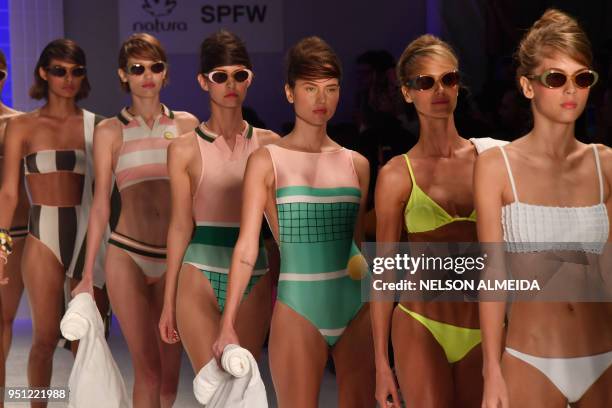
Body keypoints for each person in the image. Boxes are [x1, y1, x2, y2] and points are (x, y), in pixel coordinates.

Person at [213, 36, 375, 408]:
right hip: (298, 306)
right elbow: (247, 248)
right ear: (290, 93)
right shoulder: (267, 161)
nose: (322, 100)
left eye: (331, 89)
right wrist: (228, 323)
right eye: (310, 88)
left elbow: (357, 248)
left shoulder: (357, 164)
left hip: (357, 306)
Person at [476, 9, 612, 407]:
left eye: (581, 78)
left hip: (603, 357)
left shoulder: (606, 164)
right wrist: (491, 370)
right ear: (528, 86)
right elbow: (493, 273)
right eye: (556, 78)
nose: (571, 90)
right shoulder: (496, 166)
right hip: (528, 358)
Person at [73, 33, 199, 408]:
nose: (147, 75)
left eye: (155, 67)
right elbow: (99, 206)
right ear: (123, 75)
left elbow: (199, 196)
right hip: (126, 254)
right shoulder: (109, 131)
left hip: (176, 257)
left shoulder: (188, 125)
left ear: (166, 74)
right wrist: (84, 275)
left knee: (171, 373)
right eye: (137, 68)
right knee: (147, 368)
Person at [373, 34, 490, 408]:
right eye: (425, 82)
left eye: (448, 79)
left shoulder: (489, 160)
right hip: (421, 322)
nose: (439, 90)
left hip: (483, 327)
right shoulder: (396, 174)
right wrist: (380, 363)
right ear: (407, 93)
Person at [158, 30, 280, 378]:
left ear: (249, 79)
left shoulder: (271, 145)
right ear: (203, 81)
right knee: (214, 390)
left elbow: (279, 224)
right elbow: (180, 225)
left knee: (241, 387)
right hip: (199, 271)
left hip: (255, 274)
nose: (231, 84)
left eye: (239, 75)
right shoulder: (182, 149)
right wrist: (168, 304)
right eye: (220, 76)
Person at [0, 39, 107, 407]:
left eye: (76, 71)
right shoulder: (22, 127)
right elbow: (10, 194)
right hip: (41, 235)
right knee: (44, 340)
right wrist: (1, 247)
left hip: (88, 237)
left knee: (86, 342)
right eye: (59, 70)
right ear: (43, 73)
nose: (68, 79)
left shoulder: (100, 127)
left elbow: (108, 196)